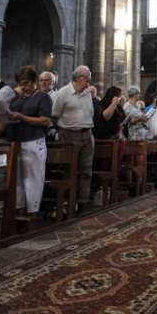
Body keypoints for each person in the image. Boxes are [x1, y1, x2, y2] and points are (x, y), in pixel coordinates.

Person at [0, 66, 52, 215]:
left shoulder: (43, 97)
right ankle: (18, 212)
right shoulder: (15, 99)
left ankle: (32, 213)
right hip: (15, 143)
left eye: (28, 83)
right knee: (16, 180)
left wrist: (23, 117)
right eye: (22, 84)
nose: (25, 87)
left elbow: (45, 121)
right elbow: (4, 121)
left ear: (34, 81)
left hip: (33, 142)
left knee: (32, 180)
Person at [52, 66, 94, 212]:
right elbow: (55, 115)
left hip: (87, 134)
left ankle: (83, 202)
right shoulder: (63, 93)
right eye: (87, 79)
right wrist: (63, 131)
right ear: (79, 78)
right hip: (69, 135)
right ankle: (68, 203)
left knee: (86, 170)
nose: (89, 82)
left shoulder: (87, 93)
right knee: (69, 170)